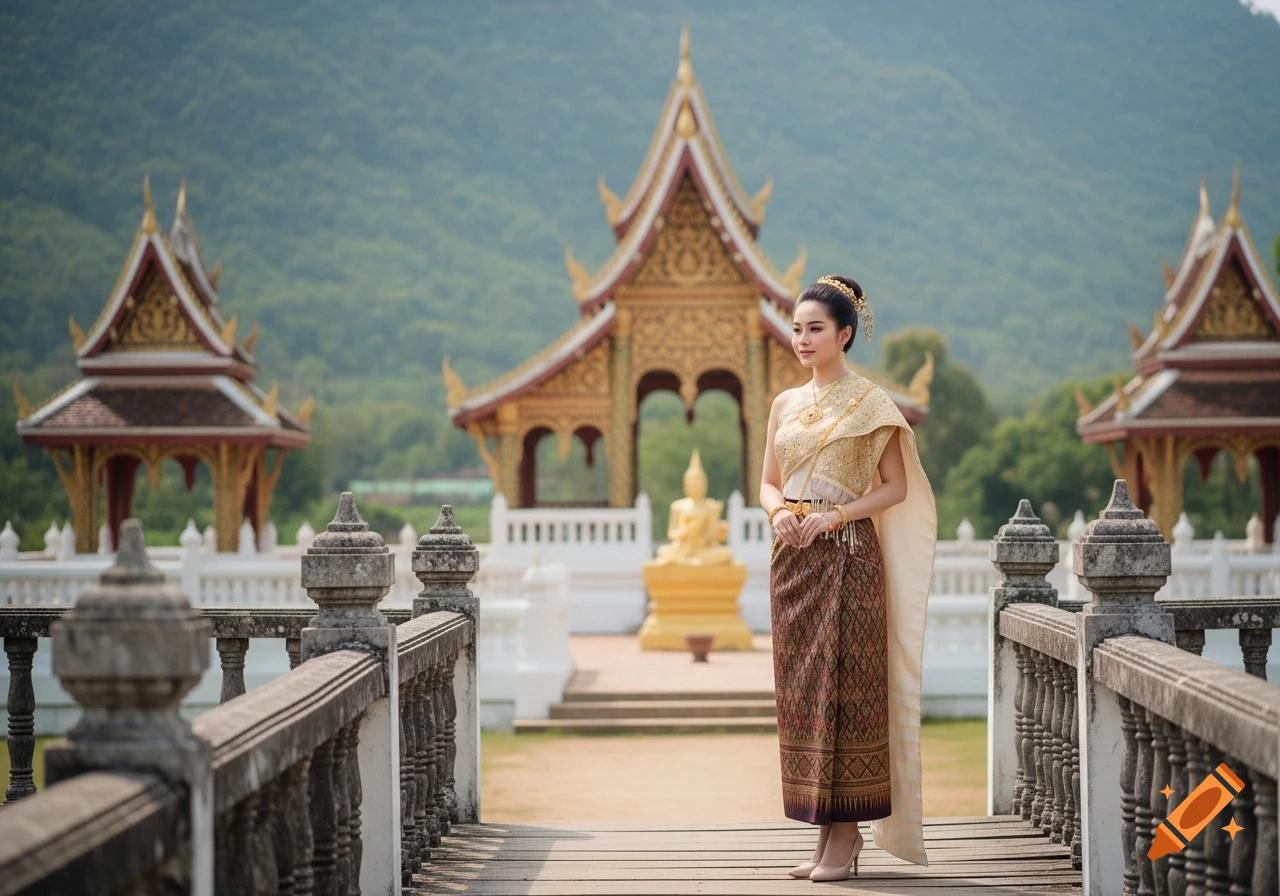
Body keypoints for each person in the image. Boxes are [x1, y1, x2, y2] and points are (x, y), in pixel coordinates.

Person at [759, 274, 937, 881]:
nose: (801, 339)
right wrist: (781, 512)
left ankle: (849, 831)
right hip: (792, 562)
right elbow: (766, 481)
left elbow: (896, 488)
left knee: (846, 692)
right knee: (803, 695)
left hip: (847, 557)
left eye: (815, 329)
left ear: (845, 335)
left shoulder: (872, 403)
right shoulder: (785, 403)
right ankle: (823, 831)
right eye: (797, 328)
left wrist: (834, 517)